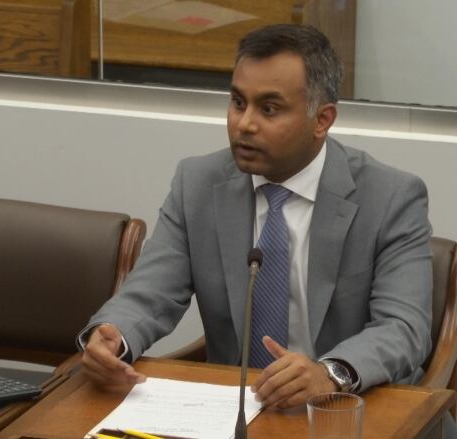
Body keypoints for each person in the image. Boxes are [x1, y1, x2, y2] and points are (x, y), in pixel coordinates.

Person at [79, 24, 433, 411]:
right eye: (237, 102)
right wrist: (113, 334)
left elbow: (403, 329)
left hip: (350, 411)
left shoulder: (390, 198)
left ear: (322, 120)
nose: (244, 124)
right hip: (236, 409)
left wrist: (330, 373)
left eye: (269, 109)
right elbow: (149, 293)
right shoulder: (197, 184)